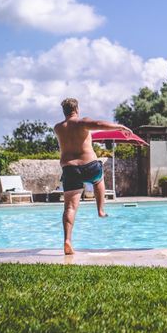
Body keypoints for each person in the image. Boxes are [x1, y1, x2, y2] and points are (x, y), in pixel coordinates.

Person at [54, 98, 132, 255]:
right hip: (89, 165)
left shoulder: (58, 128)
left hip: (69, 168)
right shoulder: (82, 123)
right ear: (77, 109)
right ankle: (100, 209)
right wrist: (120, 126)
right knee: (98, 179)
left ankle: (67, 240)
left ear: (64, 112)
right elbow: (99, 124)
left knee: (69, 207)